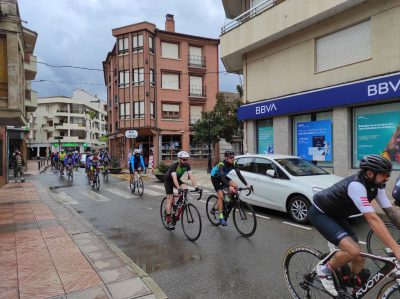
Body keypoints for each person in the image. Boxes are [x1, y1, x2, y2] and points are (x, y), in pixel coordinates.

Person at [308, 154, 400, 296]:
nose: (387, 178)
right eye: (384, 174)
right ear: (370, 173)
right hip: (321, 214)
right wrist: (396, 248)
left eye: (389, 174)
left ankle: (353, 287)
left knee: (360, 257)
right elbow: (373, 219)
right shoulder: (356, 186)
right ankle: (324, 270)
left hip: (337, 216)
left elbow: (392, 214)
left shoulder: (377, 186)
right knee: (352, 250)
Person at [210, 150, 252, 226]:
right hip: (215, 177)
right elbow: (222, 178)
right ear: (226, 158)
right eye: (230, 158)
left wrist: (246, 184)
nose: (232, 159)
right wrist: (229, 186)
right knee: (220, 195)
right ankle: (221, 217)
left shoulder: (234, 163)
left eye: (233, 157)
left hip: (223, 176)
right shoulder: (221, 165)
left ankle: (227, 200)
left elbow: (239, 175)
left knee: (235, 186)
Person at [164, 151, 198, 230]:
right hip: (169, 180)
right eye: (183, 159)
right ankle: (169, 220)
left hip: (179, 179)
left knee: (185, 189)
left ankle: (178, 205)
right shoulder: (174, 165)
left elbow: (191, 176)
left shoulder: (187, 165)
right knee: (170, 199)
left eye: (187, 159)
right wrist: (178, 188)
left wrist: (196, 186)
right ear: (179, 159)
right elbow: (174, 178)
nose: (185, 161)